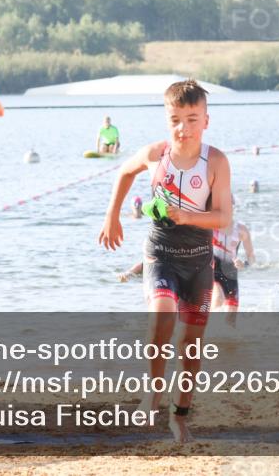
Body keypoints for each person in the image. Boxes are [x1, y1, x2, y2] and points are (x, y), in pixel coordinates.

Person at [99, 79, 232, 442]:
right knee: (160, 319)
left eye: (192, 119)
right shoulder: (156, 155)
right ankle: (153, 392)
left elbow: (223, 218)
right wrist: (113, 216)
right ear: (166, 118)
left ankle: (180, 415)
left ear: (206, 120)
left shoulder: (216, 161)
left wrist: (187, 216)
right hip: (160, 254)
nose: (183, 128)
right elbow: (124, 172)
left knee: (191, 346)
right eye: (175, 119)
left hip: (199, 261)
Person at [211, 204, 256, 326]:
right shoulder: (209, 227)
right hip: (212, 269)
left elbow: (251, 257)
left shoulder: (241, 230)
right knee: (218, 298)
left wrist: (244, 264)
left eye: (230, 206)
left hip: (231, 272)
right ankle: (209, 333)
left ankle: (226, 342)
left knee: (230, 320)